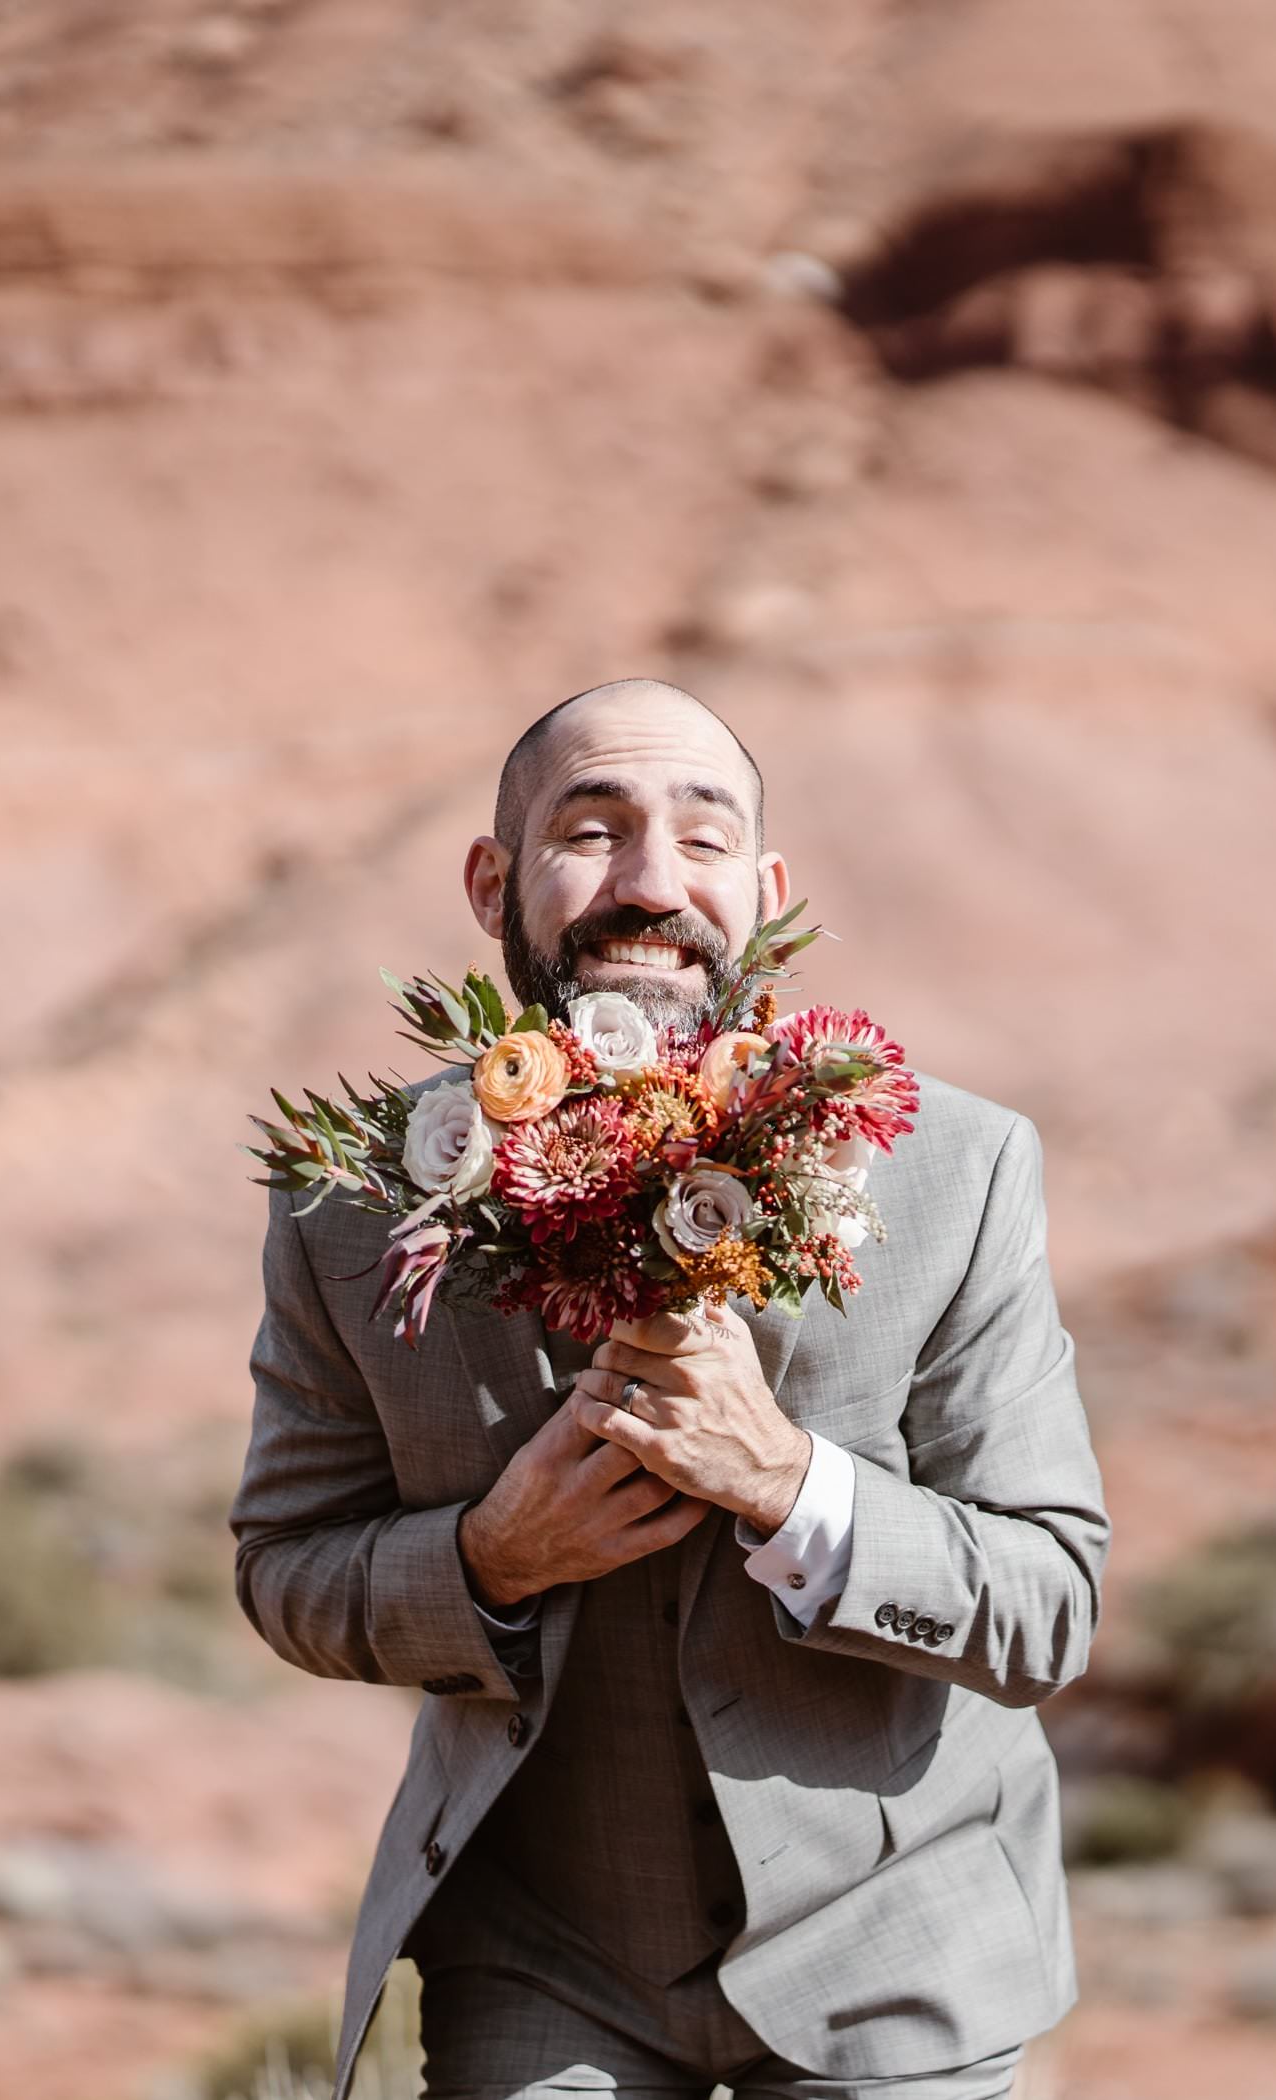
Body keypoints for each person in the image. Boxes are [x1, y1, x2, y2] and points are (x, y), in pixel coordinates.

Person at [228, 677, 1113, 2100]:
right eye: (592, 829)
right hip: (542, 1958)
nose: (650, 885)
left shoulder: (958, 1171)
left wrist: (788, 1482)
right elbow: (283, 1567)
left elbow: (1051, 1604)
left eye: (702, 842)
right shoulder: (350, 1205)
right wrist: (487, 1559)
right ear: (492, 882)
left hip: (894, 1947)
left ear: (763, 891)